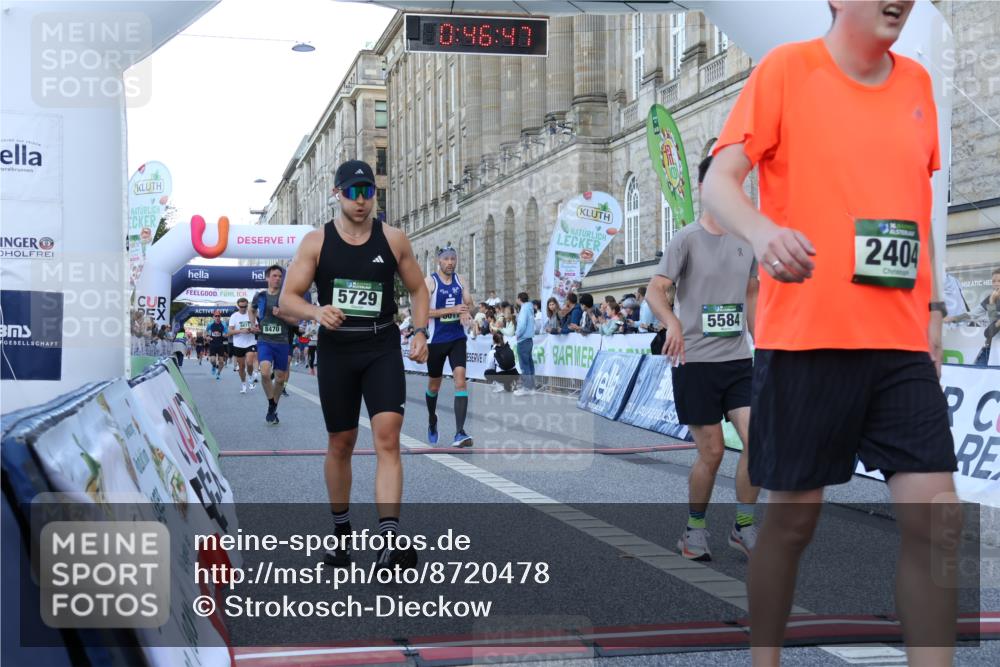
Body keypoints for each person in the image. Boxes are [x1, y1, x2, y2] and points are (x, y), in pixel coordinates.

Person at [702, 2, 960, 662]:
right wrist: (763, 233)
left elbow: (916, 211)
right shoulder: (787, 69)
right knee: (791, 524)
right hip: (807, 342)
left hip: (900, 346)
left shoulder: (916, 84)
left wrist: (935, 313)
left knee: (938, 523)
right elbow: (720, 184)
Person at [278, 159, 429, 571]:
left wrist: (419, 331)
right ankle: (342, 535)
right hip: (338, 350)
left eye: (368, 192)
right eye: (352, 192)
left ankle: (389, 540)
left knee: (387, 438)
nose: (361, 201)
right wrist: (316, 311)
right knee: (341, 442)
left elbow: (419, 289)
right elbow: (287, 299)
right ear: (337, 194)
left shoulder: (393, 238)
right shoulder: (316, 242)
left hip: (381, 346)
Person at [646, 155, 761, 563]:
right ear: (705, 189)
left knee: (759, 441)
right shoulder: (687, 239)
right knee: (711, 452)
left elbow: (751, 294)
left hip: (738, 361)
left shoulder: (747, 239)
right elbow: (655, 289)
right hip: (694, 363)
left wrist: (762, 343)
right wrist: (672, 323)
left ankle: (743, 526)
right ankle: (694, 530)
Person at [424, 246, 475, 448]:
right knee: (433, 386)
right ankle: (432, 418)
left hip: (457, 338)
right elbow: (422, 311)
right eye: (446, 259)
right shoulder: (430, 282)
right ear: (439, 261)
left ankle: (459, 432)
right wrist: (451, 309)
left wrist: (466, 312)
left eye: (453, 259)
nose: (450, 262)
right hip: (436, 341)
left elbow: (469, 303)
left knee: (460, 381)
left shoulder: (461, 280)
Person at [252, 265, 295, 424]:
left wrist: (282, 315)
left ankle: (273, 406)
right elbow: (251, 309)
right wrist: (253, 324)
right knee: (264, 373)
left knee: (280, 379)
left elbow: (295, 320)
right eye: (274, 276)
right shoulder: (260, 296)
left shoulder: (285, 297)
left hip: (282, 342)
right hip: (264, 340)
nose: (277, 279)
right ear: (267, 278)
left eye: (279, 276)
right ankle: (271, 404)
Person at [228, 297, 259, 394]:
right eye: (241, 307)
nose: (243, 308)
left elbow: (257, 329)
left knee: (249, 363)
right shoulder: (234, 316)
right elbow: (230, 331)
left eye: (245, 306)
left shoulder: (251, 314)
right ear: (238, 306)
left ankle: (250, 377)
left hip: (251, 342)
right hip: (238, 344)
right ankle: (243, 384)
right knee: (241, 367)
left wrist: (252, 330)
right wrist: (242, 331)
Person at [513, 292, 536, 396]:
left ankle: (526, 387)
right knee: (529, 364)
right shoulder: (530, 308)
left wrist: (517, 334)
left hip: (523, 339)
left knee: (524, 365)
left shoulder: (524, 309)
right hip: (529, 339)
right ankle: (531, 387)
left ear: (519, 299)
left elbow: (522, 324)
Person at [206, 311, 228, 379]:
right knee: (212, 360)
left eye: (218, 316)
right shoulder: (210, 324)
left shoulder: (224, 324)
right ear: (213, 317)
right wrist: (207, 337)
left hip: (221, 345)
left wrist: (225, 335)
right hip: (213, 344)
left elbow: (226, 333)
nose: (217, 317)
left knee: (221, 361)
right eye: (216, 316)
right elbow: (206, 332)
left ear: (220, 317)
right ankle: (214, 366)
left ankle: (218, 373)